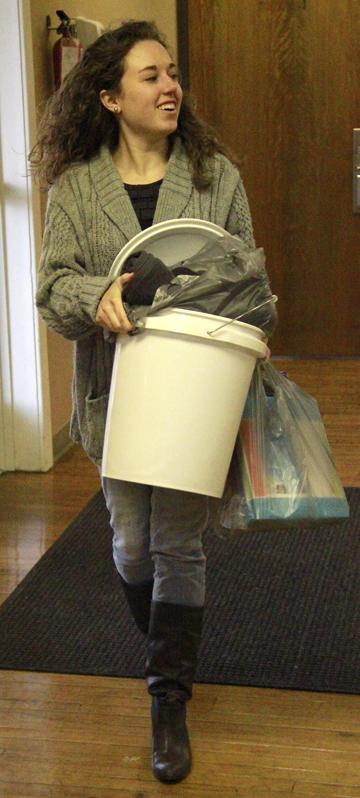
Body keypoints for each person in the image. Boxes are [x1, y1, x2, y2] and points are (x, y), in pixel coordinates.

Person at [32, 19, 256, 784]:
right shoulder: (74, 190)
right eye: (150, 75)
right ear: (109, 96)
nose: (170, 85)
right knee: (130, 545)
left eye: (171, 73)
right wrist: (95, 296)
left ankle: (168, 698)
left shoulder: (215, 175)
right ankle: (168, 649)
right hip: (115, 398)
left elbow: (251, 283)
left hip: (197, 393)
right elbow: (51, 290)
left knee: (178, 546)